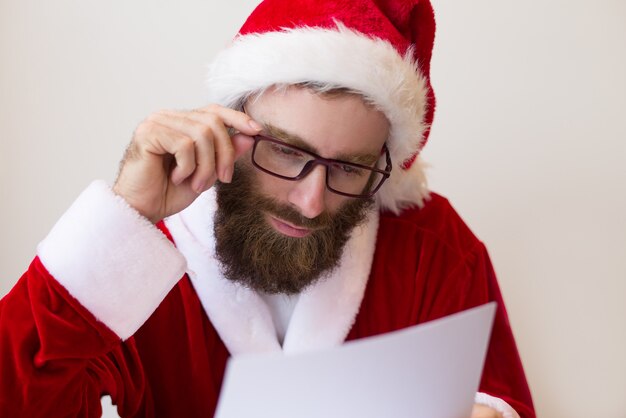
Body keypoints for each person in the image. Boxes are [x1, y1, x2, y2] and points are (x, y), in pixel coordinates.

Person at [0, 0, 535, 417]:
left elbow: (498, 395)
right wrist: (128, 212)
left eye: (349, 167)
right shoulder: (142, 252)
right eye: (285, 150)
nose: (310, 201)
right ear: (231, 124)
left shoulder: (432, 245)